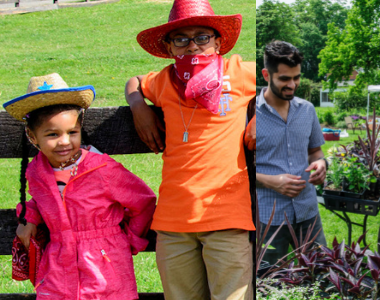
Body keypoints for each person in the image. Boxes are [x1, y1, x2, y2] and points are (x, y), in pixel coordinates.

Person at [124, 0, 256, 297]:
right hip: (173, 221)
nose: (192, 46)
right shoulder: (163, 81)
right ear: (169, 48)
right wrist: (137, 106)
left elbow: (282, 81)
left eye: (201, 37)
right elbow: (134, 82)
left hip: (226, 217)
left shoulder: (237, 72)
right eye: (181, 39)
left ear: (218, 42)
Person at [8, 74, 157, 299]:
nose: (64, 141)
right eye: (52, 134)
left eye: (72, 132)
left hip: (106, 265)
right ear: (32, 136)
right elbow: (41, 202)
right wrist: (28, 219)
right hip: (58, 264)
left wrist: (131, 239)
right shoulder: (37, 171)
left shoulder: (102, 169)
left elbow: (143, 201)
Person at [253, 41, 327, 270]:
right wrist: (271, 182)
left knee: (323, 273)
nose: (292, 85)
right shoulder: (249, 113)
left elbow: (315, 151)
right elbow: (236, 166)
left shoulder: (307, 110)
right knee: (271, 281)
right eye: (284, 79)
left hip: (308, 211)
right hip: (269, 216)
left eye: (296, 77)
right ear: (266, 74)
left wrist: (320, 163)